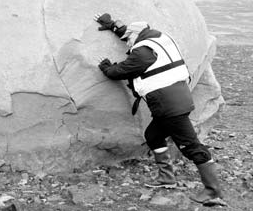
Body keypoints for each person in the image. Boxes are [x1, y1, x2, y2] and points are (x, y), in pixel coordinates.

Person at [94, 13, 224, 206]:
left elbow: (121, 71)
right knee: (153, 135)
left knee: (191, 146)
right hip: (177, 100)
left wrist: (106, 68)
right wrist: (113, 25)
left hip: (168, 106)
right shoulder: (158, 39)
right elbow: (130, 34)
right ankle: (166, 178)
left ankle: (213, 191)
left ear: (136, 36)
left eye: (129, 38)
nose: (128, 42)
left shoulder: (143, 51)